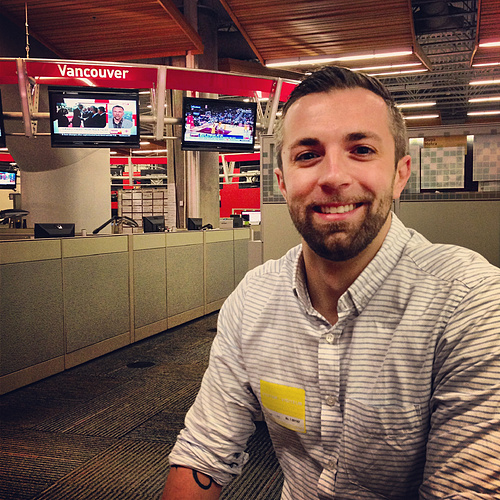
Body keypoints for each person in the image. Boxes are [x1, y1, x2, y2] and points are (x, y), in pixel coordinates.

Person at [162, 66, 500, 499]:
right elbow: (203, 453)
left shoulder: (471, 303)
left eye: (360, 149)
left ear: (400, 174)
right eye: (307, 155)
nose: (333, 176)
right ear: (282, 182)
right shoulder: (254, 298)